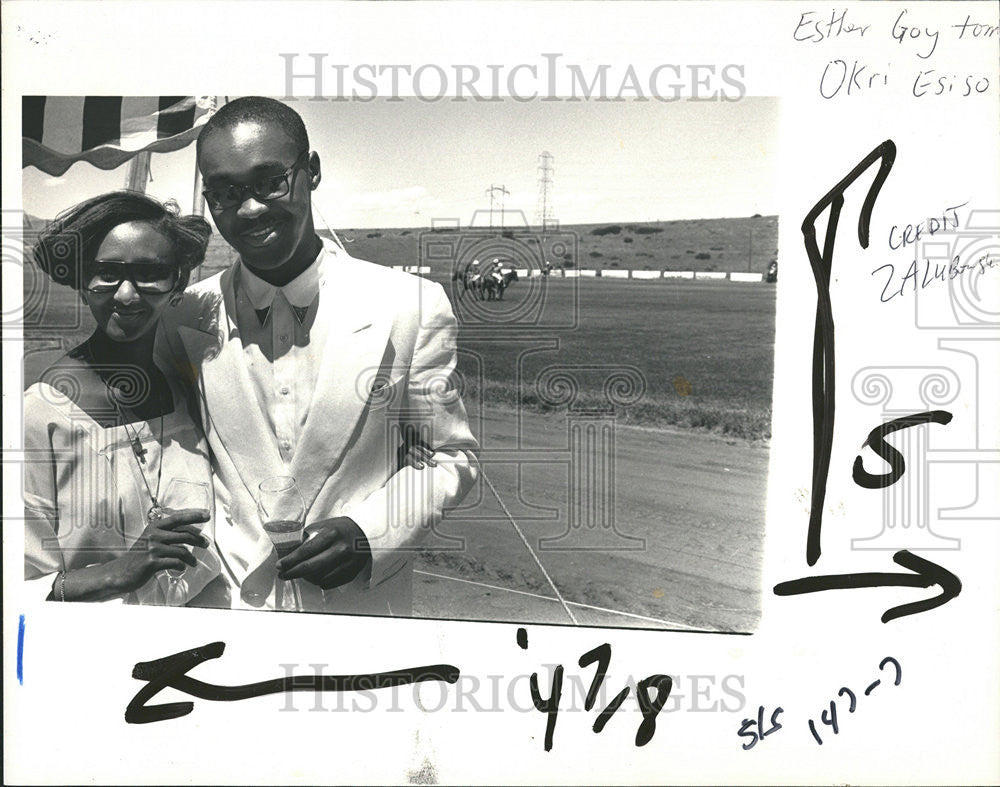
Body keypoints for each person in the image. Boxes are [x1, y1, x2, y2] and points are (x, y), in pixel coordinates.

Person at [158, 96, 479, 615]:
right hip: (221, 616)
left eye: (270, 181)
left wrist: (372, 533)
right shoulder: (186, 316)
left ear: (311, 171)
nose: (249, 208)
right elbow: (176, 459)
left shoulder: (409, 306)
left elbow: (449, 456)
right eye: (224, 192)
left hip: (358, 615)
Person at [24, 192, 222, 606]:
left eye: (151, 274)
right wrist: (116, 574)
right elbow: (18, 590)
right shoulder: (40, 415)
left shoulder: (185, 387)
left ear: (178, 284)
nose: (127, 295)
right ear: (82, 282)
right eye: (106, 274)